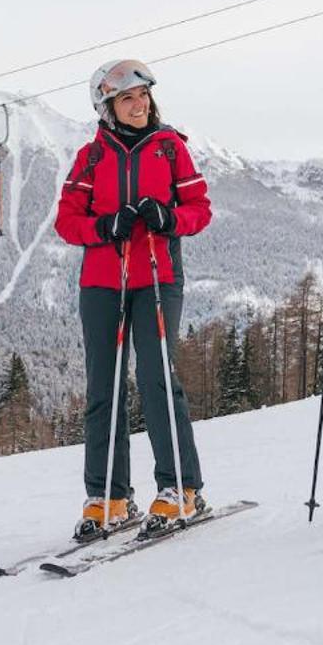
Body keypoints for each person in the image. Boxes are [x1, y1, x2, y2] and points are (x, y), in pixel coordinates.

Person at [54, 59, 214, 541]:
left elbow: (199, 209)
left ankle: (181, 487)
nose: (139, 104)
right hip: (103, 283)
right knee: (104, 388)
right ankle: (109, 496)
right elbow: (67, 221)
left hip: (157, 277)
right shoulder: (91, 157)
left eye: (143, 95)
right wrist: (104, 228)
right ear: (106, 107)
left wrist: (167, 218)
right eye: (127, 98)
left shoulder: (170, 149)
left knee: (156, 379)